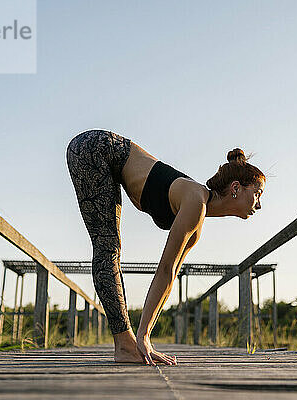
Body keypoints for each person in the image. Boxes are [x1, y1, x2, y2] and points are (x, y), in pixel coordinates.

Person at [66, 129, 265, 365]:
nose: (259, 204)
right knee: (108, 247)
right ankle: (125, 345)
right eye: (257, 193)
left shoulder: (197, 219)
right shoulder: (195, 201)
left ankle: (130, 344)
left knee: (110, 247)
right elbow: (164, 269)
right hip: (95, 148)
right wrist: (142, 337)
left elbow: (169, 277)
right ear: (235, 188)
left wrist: (146, 335)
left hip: (106, 159)